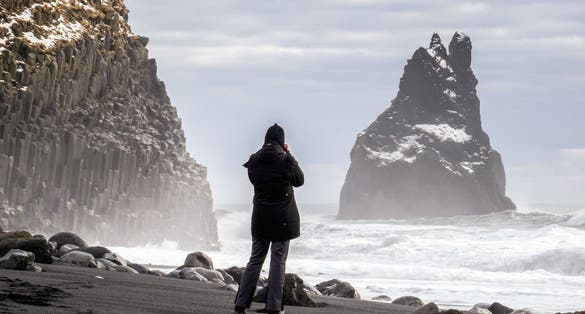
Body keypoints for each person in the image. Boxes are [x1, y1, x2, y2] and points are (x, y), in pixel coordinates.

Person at [234, 123, 304, 314]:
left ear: (265, 139)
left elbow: (254, 179)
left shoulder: (254, 160)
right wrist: (289, 154)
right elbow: (299, 180)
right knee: (277, 260)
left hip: (260, 217)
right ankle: (273, 307)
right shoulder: (285, 160)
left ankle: (241, 304)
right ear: (282, 141)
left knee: (255, 259)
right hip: (282, 219)